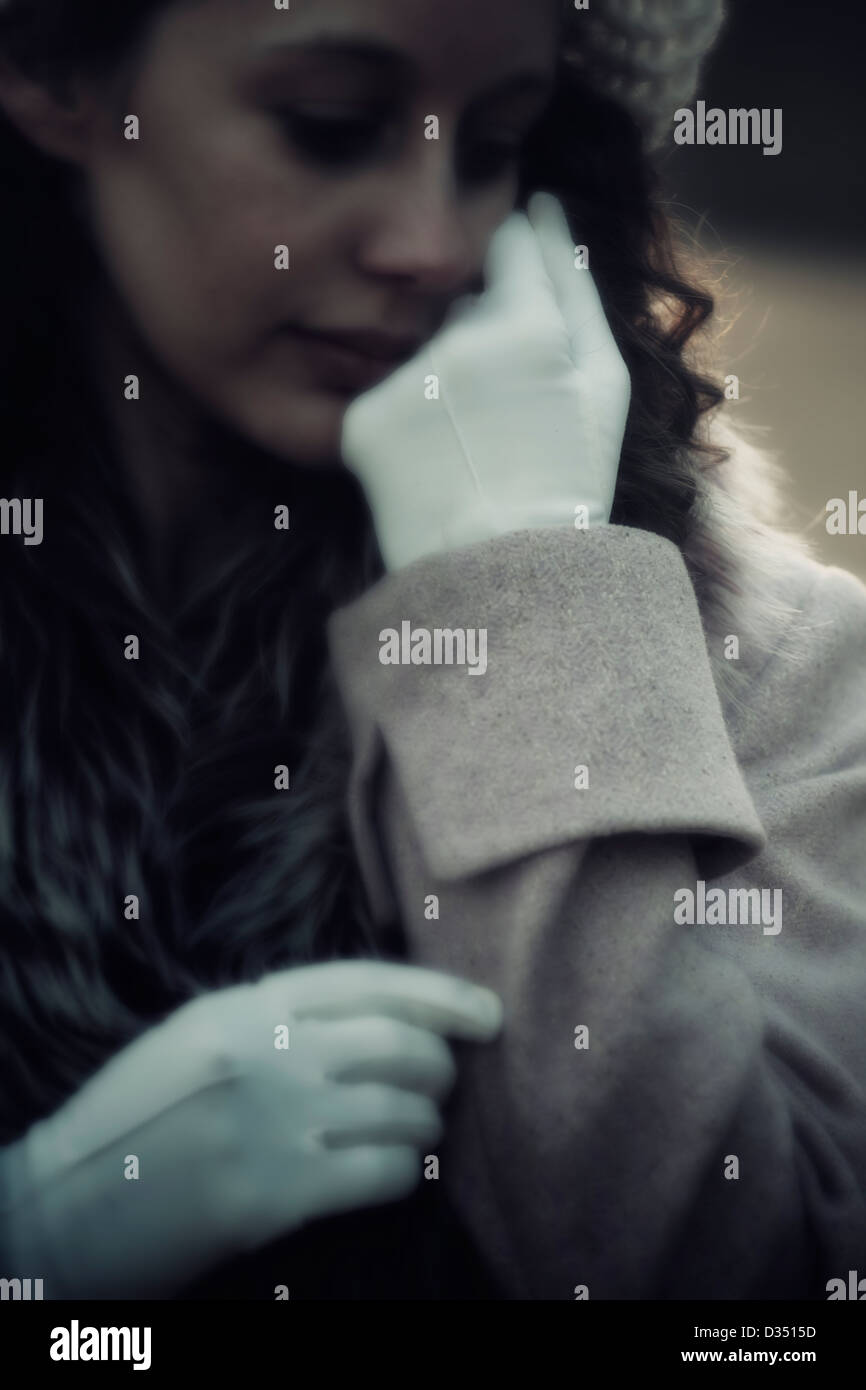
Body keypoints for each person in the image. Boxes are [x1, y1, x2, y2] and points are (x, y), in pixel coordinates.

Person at [0, 0, 863, 1302]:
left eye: (493, 142)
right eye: (330, 125)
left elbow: (749, 1289)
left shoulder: (775, 664)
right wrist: (42, 1233)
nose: (435, 240)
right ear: (57, 71)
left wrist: (522, 602)